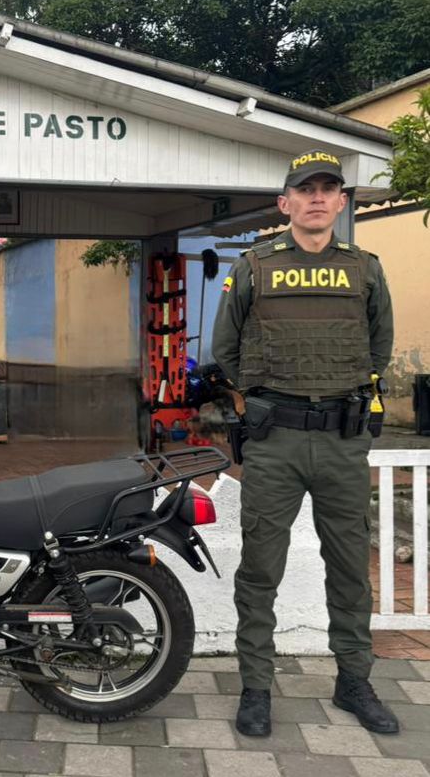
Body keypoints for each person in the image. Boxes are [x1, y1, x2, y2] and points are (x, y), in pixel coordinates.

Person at [212, 150, 397, 738]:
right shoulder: (254, 266)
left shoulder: (365, 268)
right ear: (284, 203)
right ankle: (256, 688)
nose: (316, 198)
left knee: (350, 569)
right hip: (276, 441)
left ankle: (354, 682)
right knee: (260, 569)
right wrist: (262, 396)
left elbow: (379, 347)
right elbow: (225, 349)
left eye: (327, 189)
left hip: (343, 441)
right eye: (305, 189)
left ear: (341, 202)